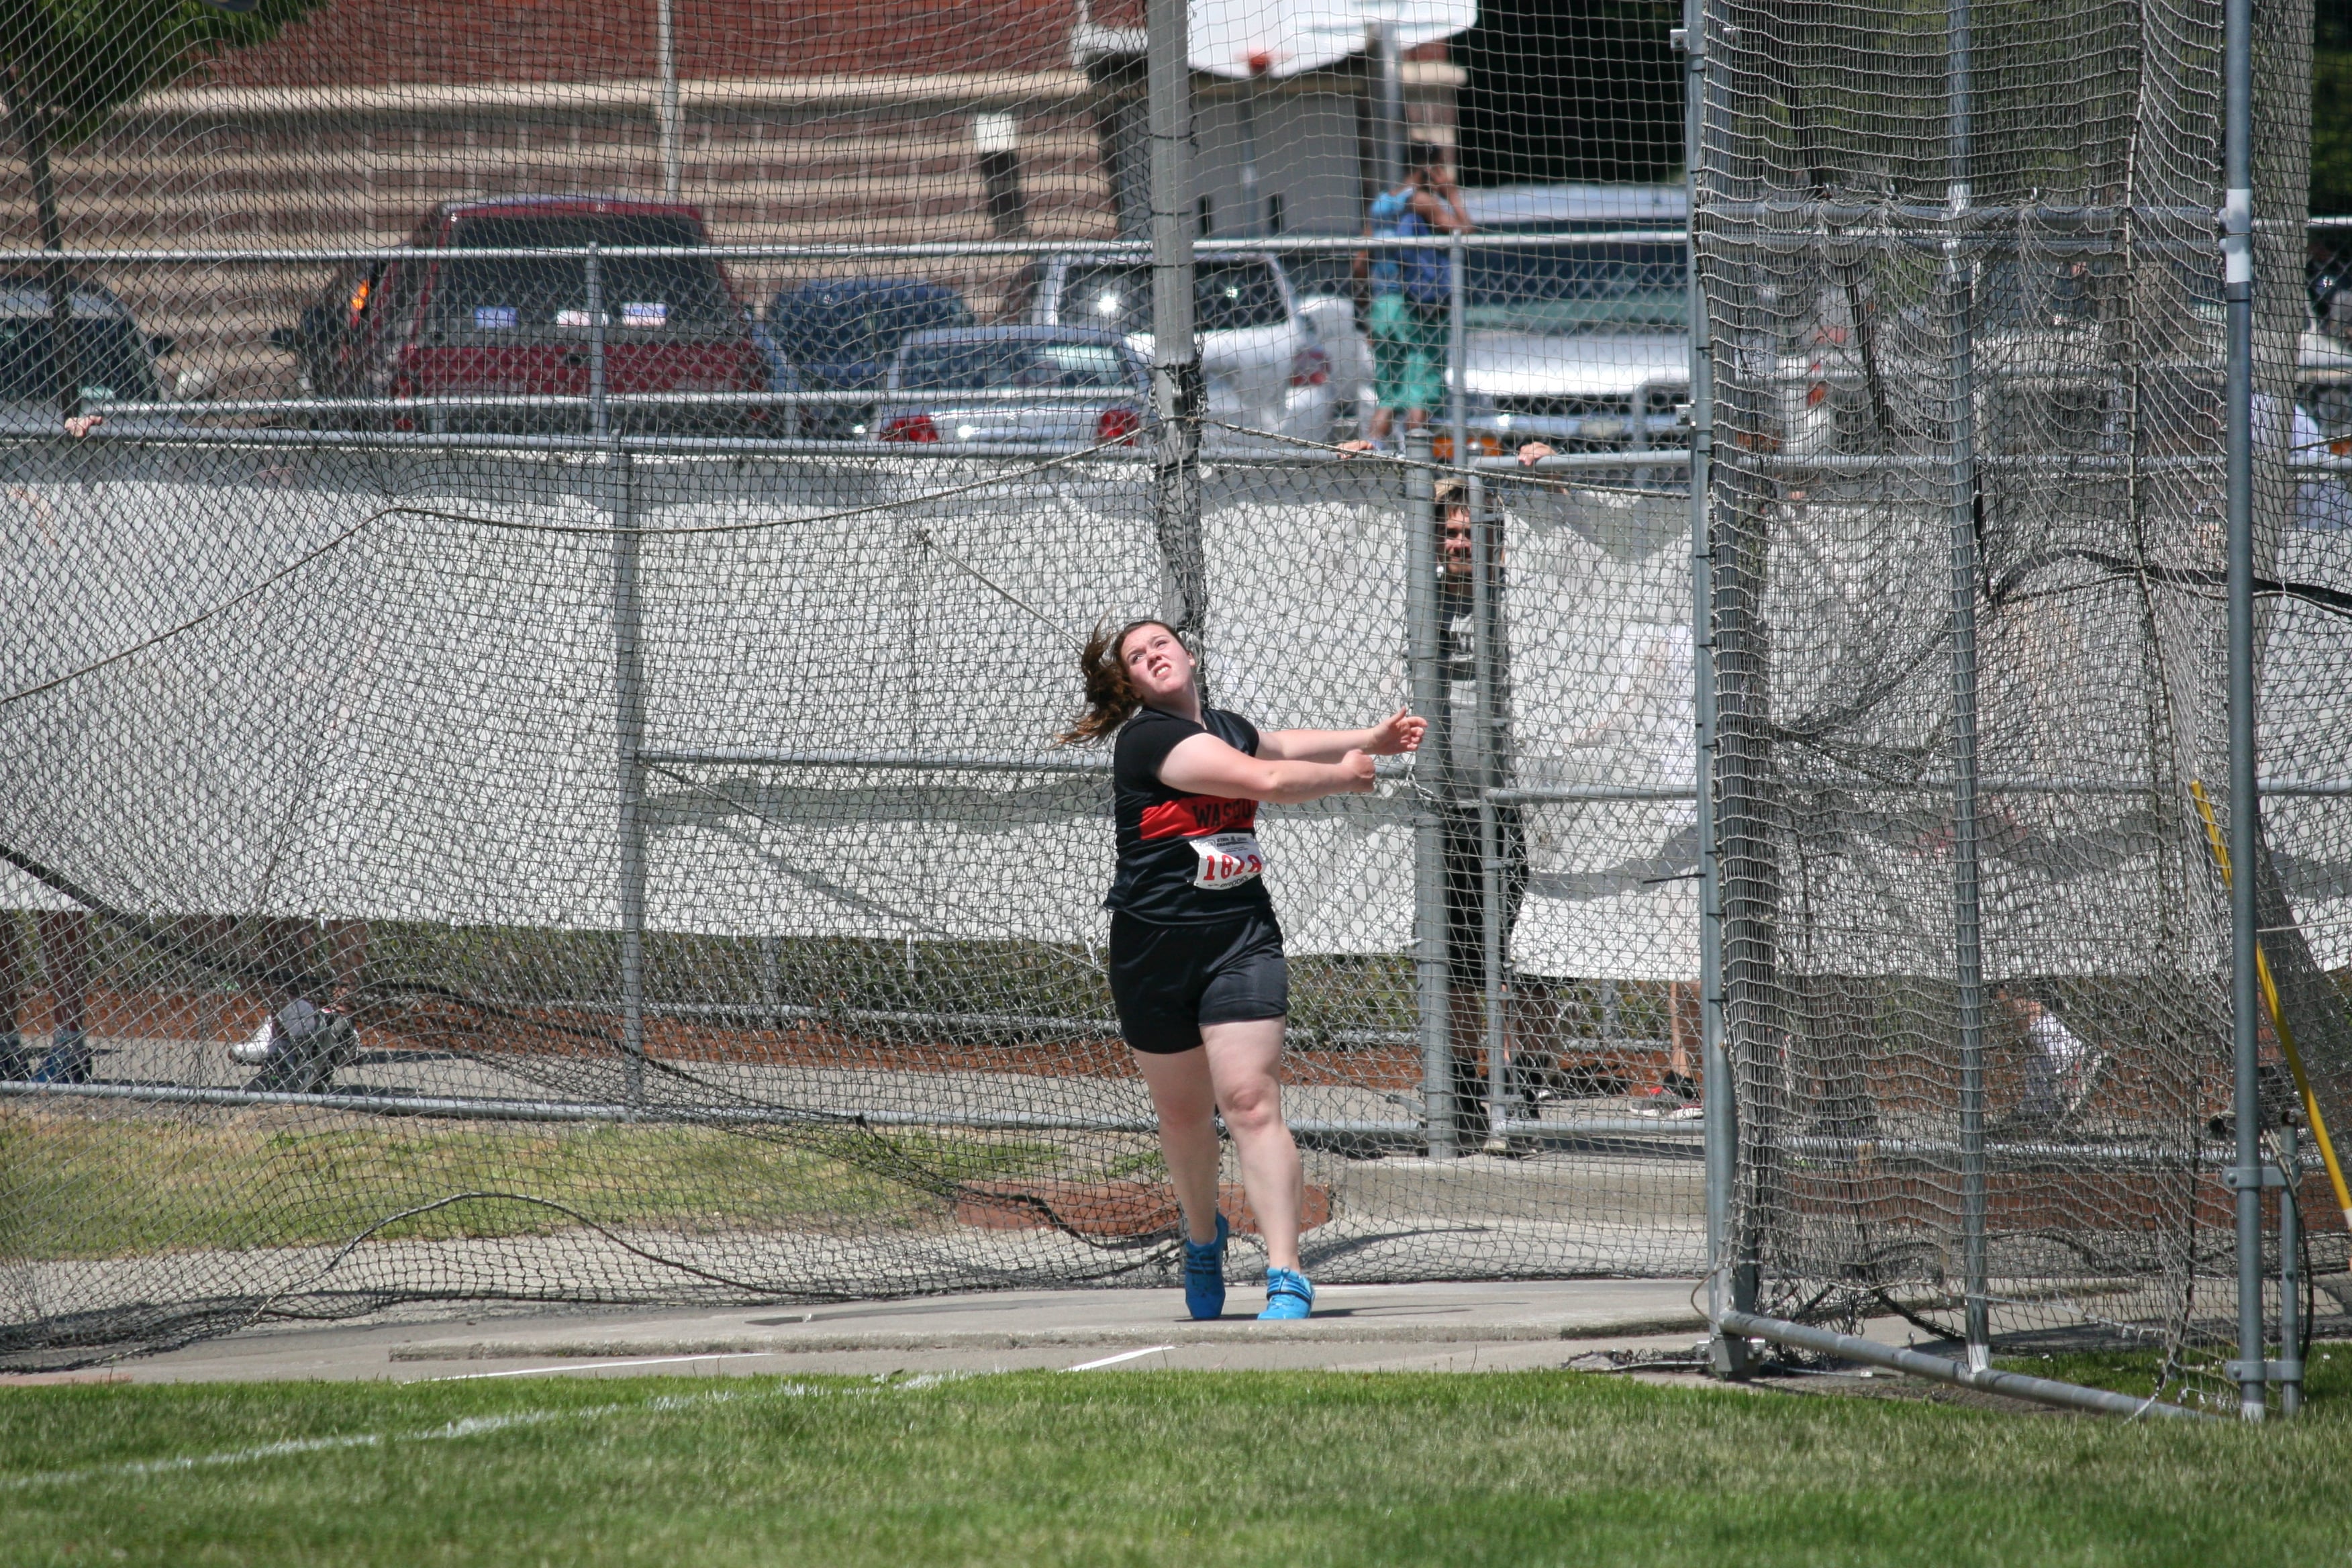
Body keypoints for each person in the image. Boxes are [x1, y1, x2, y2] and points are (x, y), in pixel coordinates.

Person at [1061, 620, 1426, 1320]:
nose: (1151, 655)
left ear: (1189, 654)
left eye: (1160, 643)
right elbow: (1269, 777)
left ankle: (1287, 1271)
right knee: (1183, 1114)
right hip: (1152, 952)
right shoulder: (1150, 739)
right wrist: (1346, 777)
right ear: (1133, 684)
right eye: (1136, 656)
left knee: (1251, 1100)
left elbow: (1280, 744)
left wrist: (1368, 741)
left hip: (1239, 938)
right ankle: (1203, 1238)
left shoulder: (1225, 725)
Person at [1353, 141, 1471, 450]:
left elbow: (1361, 263)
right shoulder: (1422, 201)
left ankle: (1374, 450)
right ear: (1429, 169)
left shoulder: (1381, 204)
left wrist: (1366, 314)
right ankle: (1418, 464)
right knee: (1420, 389)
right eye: (1441, 167)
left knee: (1390, 393)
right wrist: (1453, 196)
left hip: (1382, 305)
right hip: (1418, 306)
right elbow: (1464, 230)